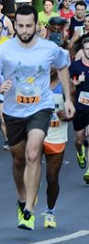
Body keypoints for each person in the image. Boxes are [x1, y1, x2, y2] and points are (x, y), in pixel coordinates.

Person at [0, 4, 74, 231]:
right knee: (18, 160)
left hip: (40, 108)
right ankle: (22, 197)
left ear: (37, 26)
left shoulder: (49, 49)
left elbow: (63, 66)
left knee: (33, 153)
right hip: (14, 112)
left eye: (28, 26)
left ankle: (29, 210)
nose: (24, 30)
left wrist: (68, 99)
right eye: (20, 26)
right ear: (14, 25)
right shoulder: (4, 51)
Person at [42, 69, 68, 228]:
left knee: (52, 178)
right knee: (30, 166)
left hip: (56, 136)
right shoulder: (35, 82)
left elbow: (73, 113)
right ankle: (27, 200)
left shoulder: (66, 86)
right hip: (36, 132)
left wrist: (65, 115)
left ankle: (50, 212)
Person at [69, 36, 89, 185]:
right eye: (87, 49)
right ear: (83, 50)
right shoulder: (75, 66)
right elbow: (69, 86)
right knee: (79, 139)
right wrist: (76, 82)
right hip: (80, 107)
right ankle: (80, 152)